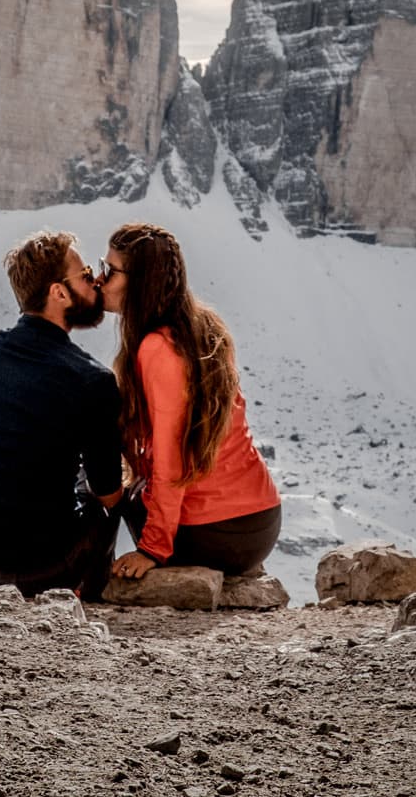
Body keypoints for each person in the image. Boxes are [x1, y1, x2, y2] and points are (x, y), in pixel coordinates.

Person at [0, 230, 123, 598]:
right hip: (49, 573)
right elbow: (108, 495)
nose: (95, 280)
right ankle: (90, 589)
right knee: (101, 496)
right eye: (85, 274)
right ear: (58, 293)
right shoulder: (93, 380)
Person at [100, 221, 281, 581]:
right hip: (262, 523)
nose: (101, 279)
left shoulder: (158, 348)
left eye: (110, 271)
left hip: (211, 534)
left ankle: (82, 578)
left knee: (103, 488)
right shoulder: (206, 326)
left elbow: (171, 456)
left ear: (141, 283)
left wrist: (153, 548)